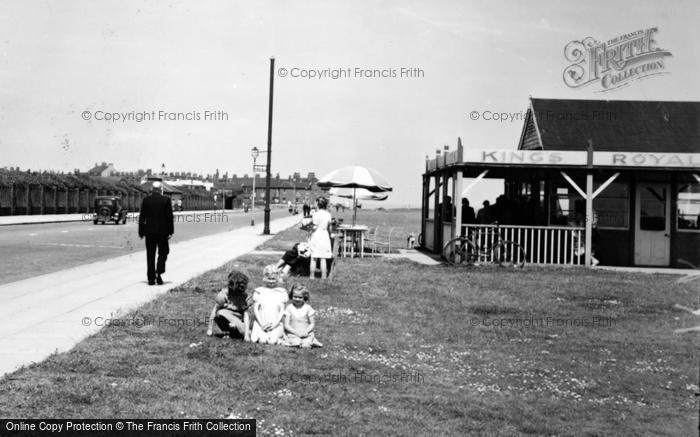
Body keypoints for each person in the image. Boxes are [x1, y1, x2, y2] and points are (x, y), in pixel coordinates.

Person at [138, 181, 174, 285]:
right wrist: (171, 231)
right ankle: (159, 272)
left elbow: (142, 217)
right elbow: (169, 217)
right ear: (161, 189)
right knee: (164, 252)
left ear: (152, 189)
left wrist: (141, 232)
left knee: (150, 254)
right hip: (162, 232)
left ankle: (150, 279)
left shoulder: (146, 200)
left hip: (149, 232)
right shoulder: (166, 200)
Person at [206, 270, 252, 340]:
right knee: (220, 313)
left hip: (239, 320)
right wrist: (210, 329)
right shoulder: (223, 295)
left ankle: (237, 333)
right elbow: (214, 311)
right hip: (225, 318)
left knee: (249, 333)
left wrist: (246, 335)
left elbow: (246, 316)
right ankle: (232, 332)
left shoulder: (245, 297)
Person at [249, 265, 288, 344]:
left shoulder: (281, 292)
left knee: (272, 341)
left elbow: (281, 312)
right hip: (261, 320)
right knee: (258, 340)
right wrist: (261, 324)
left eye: (273, 279)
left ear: (277, 279)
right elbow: (256, 310)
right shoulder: (259, 291)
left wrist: (274, 325)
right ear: (265, 278)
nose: (271, 281)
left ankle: (278, 336)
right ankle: (261, 332)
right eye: (269, 279)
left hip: (275, 322)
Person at [308, 197, 333, 279]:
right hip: (324, 235)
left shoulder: (315, 214)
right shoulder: (328, 214)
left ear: (318, 204)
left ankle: (312, 276)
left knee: (314, 257)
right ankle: (324, 276)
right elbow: (330, 227)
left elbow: (313, 226)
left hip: (316, 235)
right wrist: (330, 234)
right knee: (323, 258)